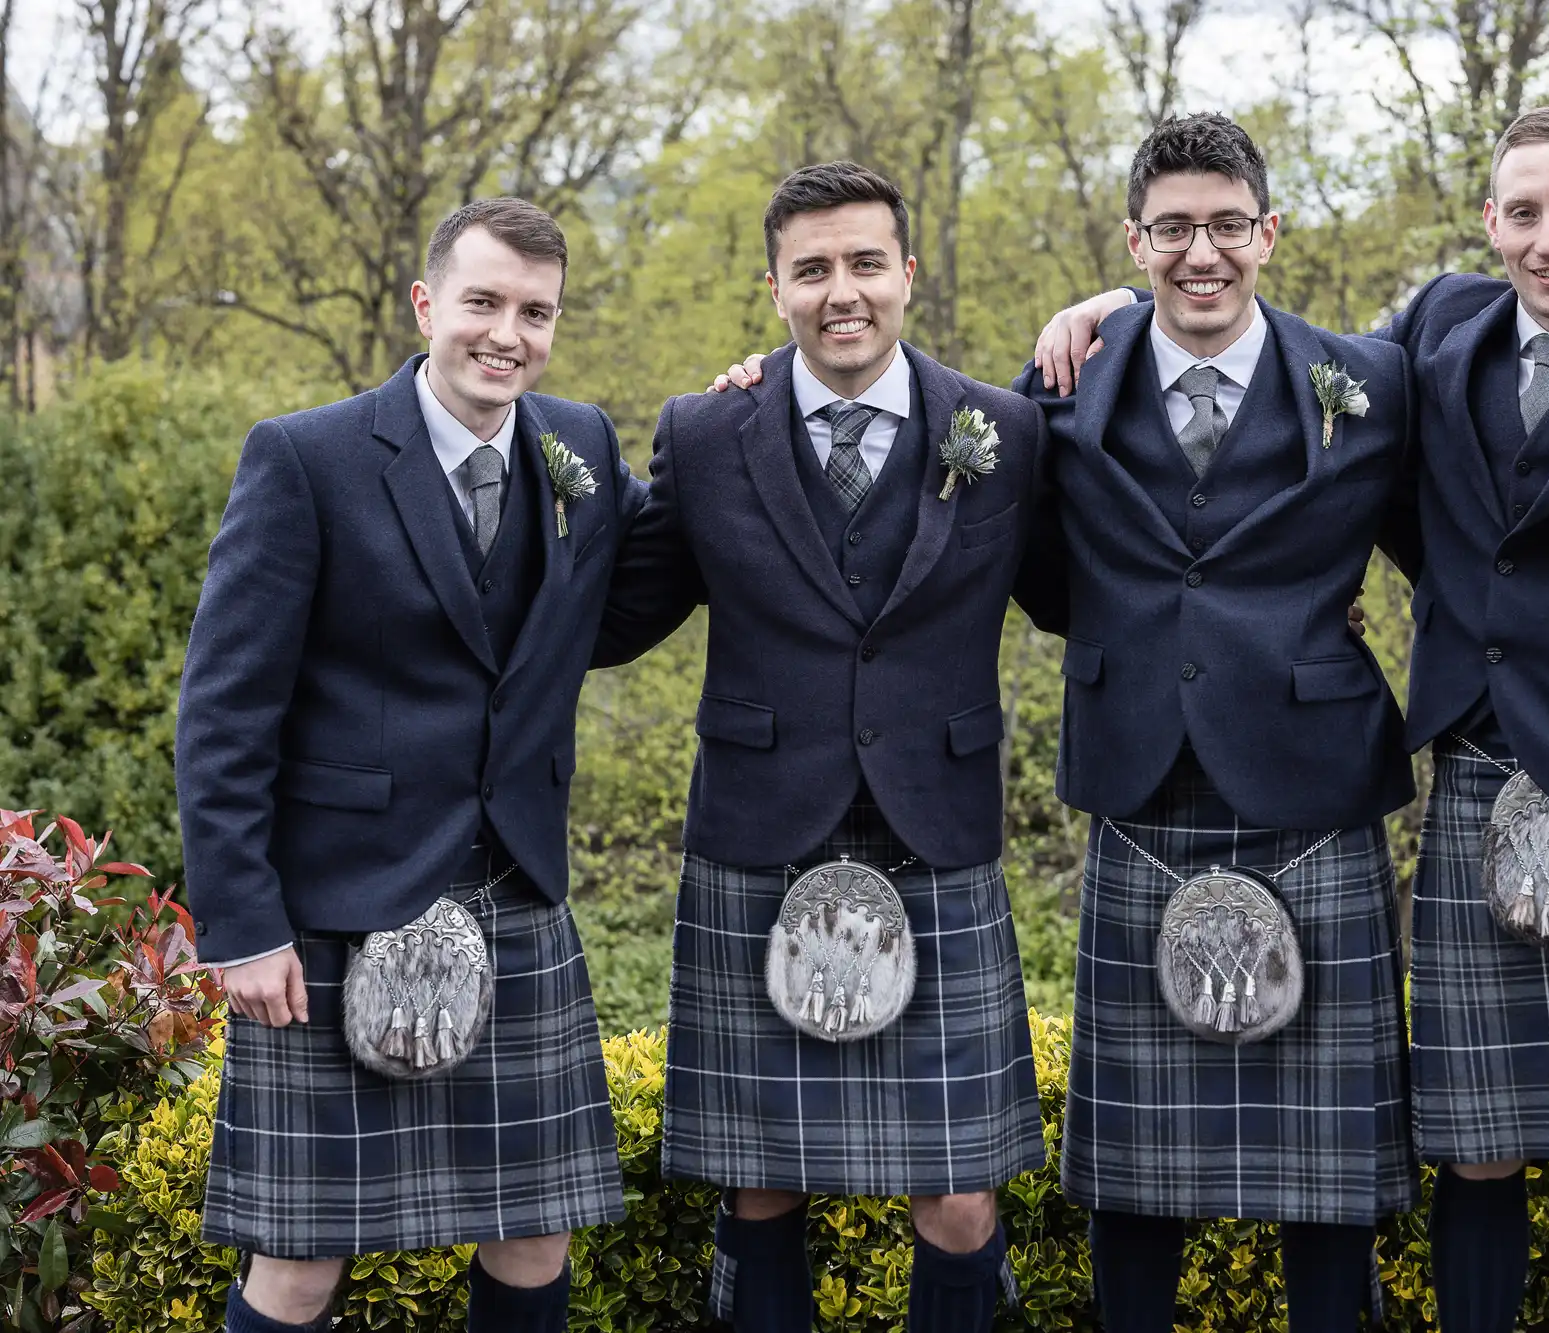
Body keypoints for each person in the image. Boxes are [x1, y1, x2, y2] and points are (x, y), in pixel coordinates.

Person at [1033, 104, 1549, 1333]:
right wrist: (1113, 312)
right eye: (1523, 212)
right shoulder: (1427, 352)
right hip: (1482, 776)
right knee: (1474, 1143)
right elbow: (1226, 308)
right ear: (1487, 222)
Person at [591, 161, 1058, 1333]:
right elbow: (606, 616)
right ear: (774, 288)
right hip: (760, 823)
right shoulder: (703, 433)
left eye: (862, 264)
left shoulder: (999, 427)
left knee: (954, 1192)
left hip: (934, 829)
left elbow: (1086, 590)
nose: (839, 291)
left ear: (906, 272)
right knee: (761, 1182)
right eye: (812, 270)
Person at [177, 198, 647, 1333]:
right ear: (427, 303)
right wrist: (242, 921)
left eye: (536, 312)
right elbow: (225, 710)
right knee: (299, 1263)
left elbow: (626, 601)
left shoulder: (576, 443)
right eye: (483, 302)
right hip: (338, 903)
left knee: (534, 1232)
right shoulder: (308, 455)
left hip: (514, 891)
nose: (508, 334)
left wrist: (749, 402)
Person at [1022, 111, 1418, 1333]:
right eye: (1174, 229)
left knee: (1326, 1180)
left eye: (1228, 226)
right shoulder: (1062, 384)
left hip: (1314, 781)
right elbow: (1025, 564)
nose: (1204, 253)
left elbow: (1523, 301)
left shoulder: (1373, 380)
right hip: (1141, 782)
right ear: (1135, 238)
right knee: (1133, 1176)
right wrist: (750, 384)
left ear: (1270, 232)